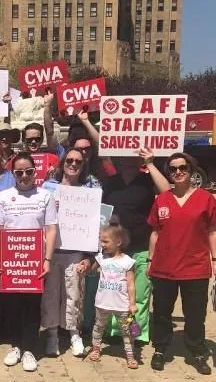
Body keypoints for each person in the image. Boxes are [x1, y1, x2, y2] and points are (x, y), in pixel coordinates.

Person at [147, 153, 216, 375]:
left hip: (195, 267)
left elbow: (213, 232)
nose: (178, 172)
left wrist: (215, 259)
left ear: (191, 169)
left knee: (195, 313)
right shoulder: (162, 199)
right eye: (173, 169)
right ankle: (161, 349)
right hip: (163, 267)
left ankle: (196, 350)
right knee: (161, 312)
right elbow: (155, 233)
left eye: (182, 167)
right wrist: (150, 260)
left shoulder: (206, 199)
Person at [0, 152, 57, 372]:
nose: (24, 176)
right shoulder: (3, 197)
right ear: (13, 174)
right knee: (11, 307)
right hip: (11, 262)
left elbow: (50, 228)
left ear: (34, 171)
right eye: (19, 173)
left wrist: (47, 259)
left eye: (29, 171)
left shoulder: (45, 195)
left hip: (34, 262)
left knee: (31, 306)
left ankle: (29, 349)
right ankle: (16, 346)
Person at [96, 149, 170, 344]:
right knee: (114, 293)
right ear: (118, 159)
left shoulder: (146, 180)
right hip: (116, 250)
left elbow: (167, 192)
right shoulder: (111, 183)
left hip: (142, 247)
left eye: (133, 157)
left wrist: (151, 163)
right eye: (124, 157)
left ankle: (136, 332)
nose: (128, 161)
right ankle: (116, 332)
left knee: (139, 294)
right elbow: (101, 213)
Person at [41, 148, 100, 358]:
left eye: (78, 161)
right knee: (51, 296)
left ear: (83, 166)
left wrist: (90, 256)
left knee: (74, 294)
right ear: (62, 163)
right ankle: (52, 336)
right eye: (70, 160)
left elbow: (95, 226)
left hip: (75, 251)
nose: (73, 164)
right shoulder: (47, 189)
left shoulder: (88, 192)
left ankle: (75, 334)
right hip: (51, 251)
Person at [88, 222, 138, 369]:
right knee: (98, 327)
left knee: (127, 330)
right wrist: (87, 264)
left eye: (105, 241)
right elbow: (91, 271)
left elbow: (131, 285)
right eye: (100, 241)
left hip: (122, 305)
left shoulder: (128, 262)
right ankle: (96, 349)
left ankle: (130, 356)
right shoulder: (101, 258)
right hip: (102, 303)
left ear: (118, 242)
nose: (102, 244)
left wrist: (132, 303)